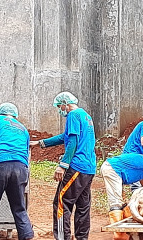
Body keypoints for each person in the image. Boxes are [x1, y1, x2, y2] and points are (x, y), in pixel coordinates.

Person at [30, 92, 96, 240]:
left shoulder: (73, 115)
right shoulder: (85, 116)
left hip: (77, 166)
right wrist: (41, 143)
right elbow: (64, 137)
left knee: (61, 202)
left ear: (66, 103)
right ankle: (82, 237)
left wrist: (63, 165)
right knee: (83, 205)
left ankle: (62, 237)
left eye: (60, 106)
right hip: (89, 167)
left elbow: (72, 141)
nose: (61, 110)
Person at [101, 147, 143, 239]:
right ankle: (119, 235)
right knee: (116, 202)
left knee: (121, 201)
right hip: (113, 169)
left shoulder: (142, 163)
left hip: (113, 169)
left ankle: (126, 229)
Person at [0, 103, 34, 240]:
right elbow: (25, 150)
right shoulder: (23, 128)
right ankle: (26, 235)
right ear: (15, 114)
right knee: (19, 206)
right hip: (20, 168)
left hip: (1, 165)